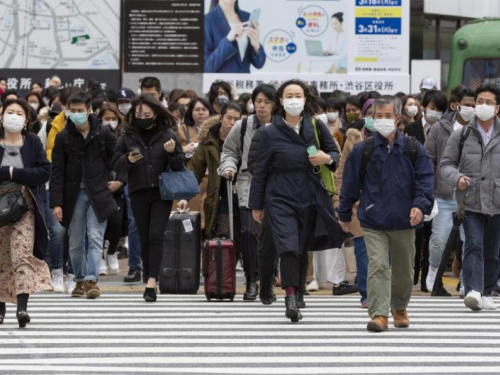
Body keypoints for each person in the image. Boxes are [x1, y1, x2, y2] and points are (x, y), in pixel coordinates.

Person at [249, 79, 344, 323]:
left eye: (298, 95)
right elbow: (259, 171)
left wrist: (326, 158)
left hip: (310, 194)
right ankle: (290, 297)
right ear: (281, 101)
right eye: (288, 95)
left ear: (305, 99)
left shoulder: (315, 125)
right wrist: (256, 205)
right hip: (280, 196)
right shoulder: (269, 132)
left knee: (301, 246)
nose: (293, 99)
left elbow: (334, 154)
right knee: (288, 246)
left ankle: (298, 290)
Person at [337, 95, 434, 332]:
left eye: (387, 116)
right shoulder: (363, 150)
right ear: (370, 119)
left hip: (405, 218)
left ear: (398, 118)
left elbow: (425, 181)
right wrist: (344, 213)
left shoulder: (413, 148)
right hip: (373, 219)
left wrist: (419, 206)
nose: (382, 120)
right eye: (377, 116)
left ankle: (399, 307)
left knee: (403, 268)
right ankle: (379, 314)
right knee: (378, 265)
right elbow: (349, 183)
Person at [112, 95, 184, 302]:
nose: (142, 117)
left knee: (156, 235)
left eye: (147, 114)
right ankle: (149, 274)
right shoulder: (127, 135)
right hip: (138, 191)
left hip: (161, 193)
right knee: (144, 237)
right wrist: (128, 160)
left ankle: (152, 281)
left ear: (156, 114)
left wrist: (171, 153)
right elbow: (116, 163)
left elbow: (179, 166)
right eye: (139, 114)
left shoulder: (167, 134)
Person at [51, 91, 119, 299]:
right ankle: (79, 280)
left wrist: (119, 180)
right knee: (76, 241)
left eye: (81, 110)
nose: (77, 114)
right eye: (73, 111)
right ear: (68, 111)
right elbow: (57, 172)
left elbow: (116, 158)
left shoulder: (104, 133)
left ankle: (91, 280)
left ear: (89, 110)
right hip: (73, 195)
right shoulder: (63, 137)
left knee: (96, 237)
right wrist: (56, 203)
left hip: (99, 192)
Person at [440, 84, 500, 311]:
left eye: (489, 102)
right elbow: (445, 165)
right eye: (480, 102)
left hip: (497, 202)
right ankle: (473, 289)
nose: (483, 106)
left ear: (497, 108)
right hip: (471, 200)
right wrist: (457, 178)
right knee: (473, 244)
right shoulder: (462, 134)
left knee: (493, 251)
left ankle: (487, 291)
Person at [218, 84, 276, 301]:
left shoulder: (281, 126)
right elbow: (229, 151)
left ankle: (268, 280)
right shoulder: (242, 126)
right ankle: (252, 280)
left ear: (274, 104)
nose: (261, 105)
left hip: (276, 185)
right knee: (249, 233)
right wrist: (229, 167)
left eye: (266, 101)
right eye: (258, 101)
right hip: (248, 182)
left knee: (272, 235)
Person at [0, 99, 52, 328]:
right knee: (2, 258)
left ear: (26, 119)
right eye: (9, 112)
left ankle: (22, 308)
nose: (13, 116)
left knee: (21, 253)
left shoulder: (32, 142)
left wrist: (12, 172)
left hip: (24, 206)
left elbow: (44, 172)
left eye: (18, 113)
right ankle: (0, 309)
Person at [424, 87, 475, 295]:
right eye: (468, 105)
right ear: (456, 105)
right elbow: (428, 159)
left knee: (469, 240)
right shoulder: (440, 128)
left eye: (475, 105)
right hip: (443, 193)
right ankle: (434, 270)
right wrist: (429, 188)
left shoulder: (482, 129)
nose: (471, 109)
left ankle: (466, 281)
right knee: (440, 239)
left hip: (471, 196)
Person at [178, 101, 242, 240]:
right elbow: (196, 171)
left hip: (244, 195)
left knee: (245, 238)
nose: (232, 123)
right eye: (229, 118)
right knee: (222, 236)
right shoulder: (209, 141)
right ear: (221, 118)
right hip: (219, 195)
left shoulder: (245, 138)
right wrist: (185, 196)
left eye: (236, 119)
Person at [406, 90, 447, 291]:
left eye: (439, 109)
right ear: (424, 107)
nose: (435, 112)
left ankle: (426, 280)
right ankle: (412, 275)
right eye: (432, 108)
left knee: (433, 236)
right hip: (414, 186)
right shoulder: (411, 128)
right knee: (415, 234)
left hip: (437, 189)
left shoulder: (445, 130)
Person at [99, 105, 126, 275]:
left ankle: (111, 253)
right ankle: (100, 258)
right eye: (106, 118)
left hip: (118, 188)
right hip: (99, 187)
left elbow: (129, 162)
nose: (110, 122)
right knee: (99, 224)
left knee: (117, 222)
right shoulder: (96, 137)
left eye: (113, 118)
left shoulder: (124, 137)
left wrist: (121, 182)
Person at [205, 0, 266, 73]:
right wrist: (228, 40)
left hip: (244, 82)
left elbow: (259, 64)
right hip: (221, 83)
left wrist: (256, 44)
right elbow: (206, 67)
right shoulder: (206, 21)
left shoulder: (247, 17)